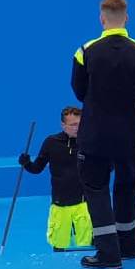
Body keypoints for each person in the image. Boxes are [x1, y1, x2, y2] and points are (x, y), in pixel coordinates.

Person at [70, 0, 135, 269]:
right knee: (126, 186)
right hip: (128, 134)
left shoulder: (85, 51)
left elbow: (78, 91)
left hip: (95, 134)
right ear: (127, 18)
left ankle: (108, 254)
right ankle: (129, 245)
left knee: (96, 188)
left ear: (101, 18)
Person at [20, 106, 92, 251]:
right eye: (72, 125)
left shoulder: (89, 141)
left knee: (86, 247)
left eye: (79, 124)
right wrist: (26, 163)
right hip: (60, 204)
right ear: (63, 125)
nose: (77, 128)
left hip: (84, 204)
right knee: (59, 247)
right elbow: (37, 169)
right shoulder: (51, 142)